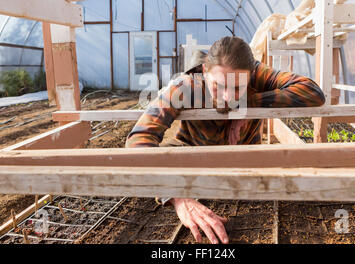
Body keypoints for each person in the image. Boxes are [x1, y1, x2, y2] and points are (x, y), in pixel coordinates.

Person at [125, 36, 325, 244]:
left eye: (238, 87)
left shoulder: (258, 75)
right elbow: (139, 137)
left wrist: (249, 104)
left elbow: (313, 92)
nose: (229, 97)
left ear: (251, 75)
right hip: (192, 161)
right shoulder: (185, 86)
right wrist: (175, 195)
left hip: (245, 162)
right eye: (218, 86)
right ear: (204, 72)